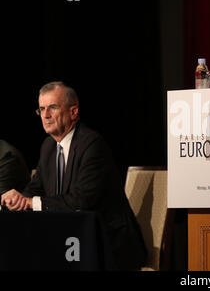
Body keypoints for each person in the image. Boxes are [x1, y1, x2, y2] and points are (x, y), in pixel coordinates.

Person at [1, 81, 147, 270]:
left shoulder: (92, 145)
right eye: (41, 109)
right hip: (69, 240)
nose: (45, 115)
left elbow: (82, 200)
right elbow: (34, 188)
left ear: (73, 112)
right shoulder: (48, 147)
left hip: (107, 242)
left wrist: (30, 202)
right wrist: (17, 198)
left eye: (52, 108)